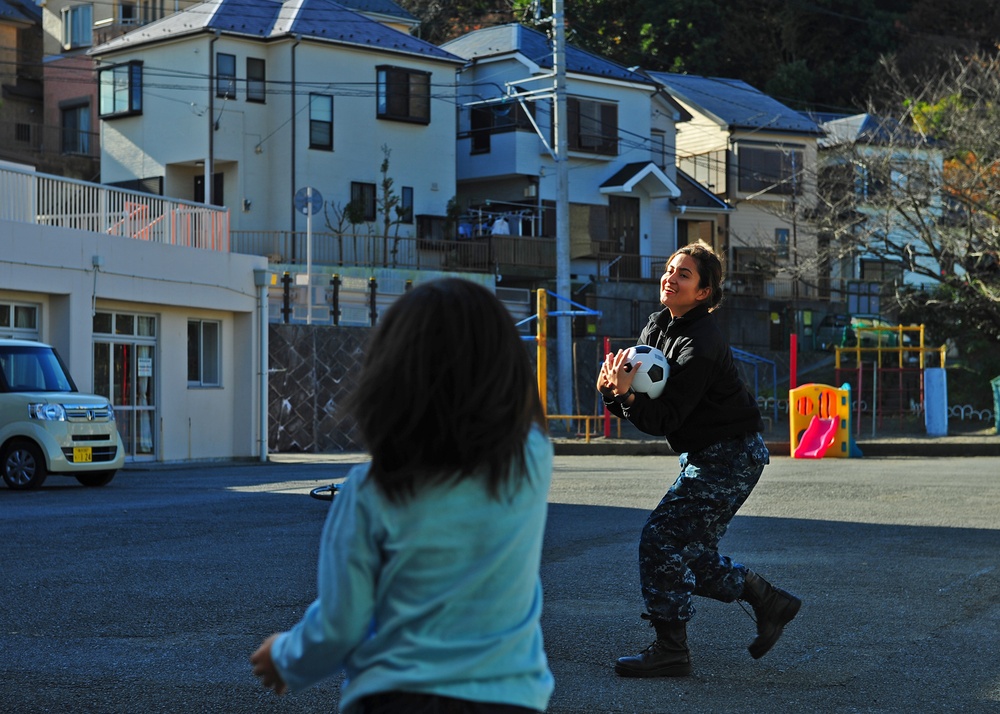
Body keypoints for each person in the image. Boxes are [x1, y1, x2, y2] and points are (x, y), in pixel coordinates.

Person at [251, 278, 555, 713]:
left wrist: (285, 657)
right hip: (510, 698)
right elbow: (527, 412)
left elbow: (340, 625)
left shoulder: (369, 491)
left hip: (393, 697)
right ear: (508, 370)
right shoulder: (532, 459)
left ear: (388, 377)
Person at [596, 242, 801, 678]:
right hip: (704, 453)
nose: (671, 277)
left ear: (704, 292)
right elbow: (646, 406)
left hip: (731, 455)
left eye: (684, 274)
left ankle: (671, 649)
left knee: (661, 539)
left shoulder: (702, 342)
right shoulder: (658, 326)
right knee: (689, 553)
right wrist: (613, 393)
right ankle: (769, 600)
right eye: (670, 269)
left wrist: (626, 396)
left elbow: (664, 415)